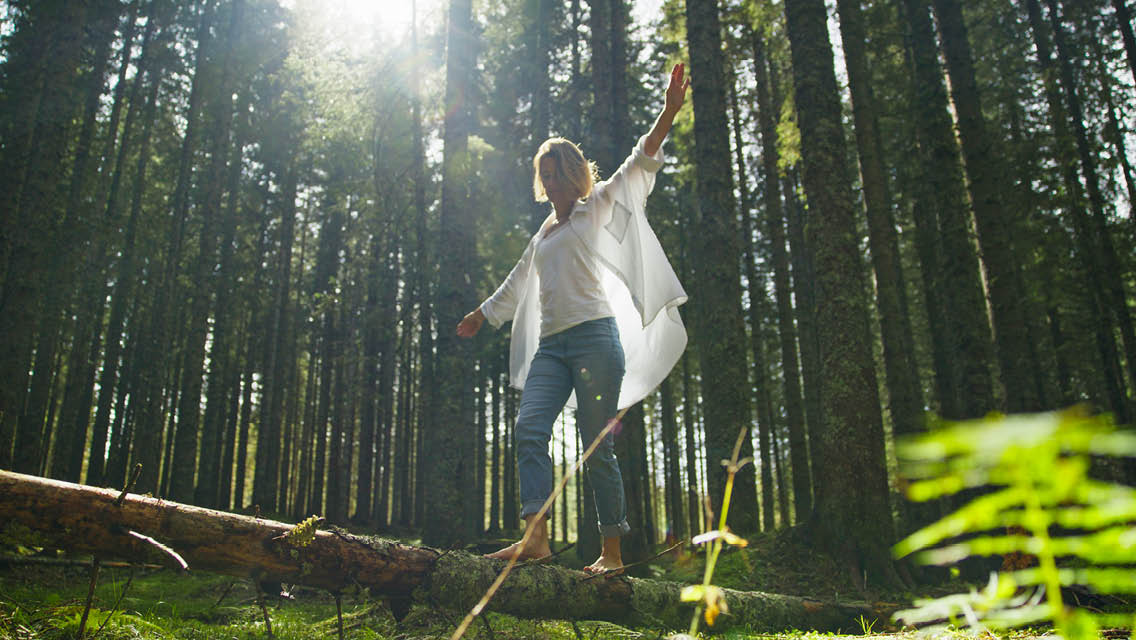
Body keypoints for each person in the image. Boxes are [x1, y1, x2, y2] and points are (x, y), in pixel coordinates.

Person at [456, 63, 691, 573]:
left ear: (573, 174)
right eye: (543, 174)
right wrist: (482, 314)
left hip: (596, 342)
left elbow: (638, 163)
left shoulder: (598, 206)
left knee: (596, 447)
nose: (549, 180)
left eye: (556, 171)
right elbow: (519, 280)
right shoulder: (544, 232)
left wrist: (669, 110)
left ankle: (611, 554)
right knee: (529, 430)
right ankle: (535, 540)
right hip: (553, 349)